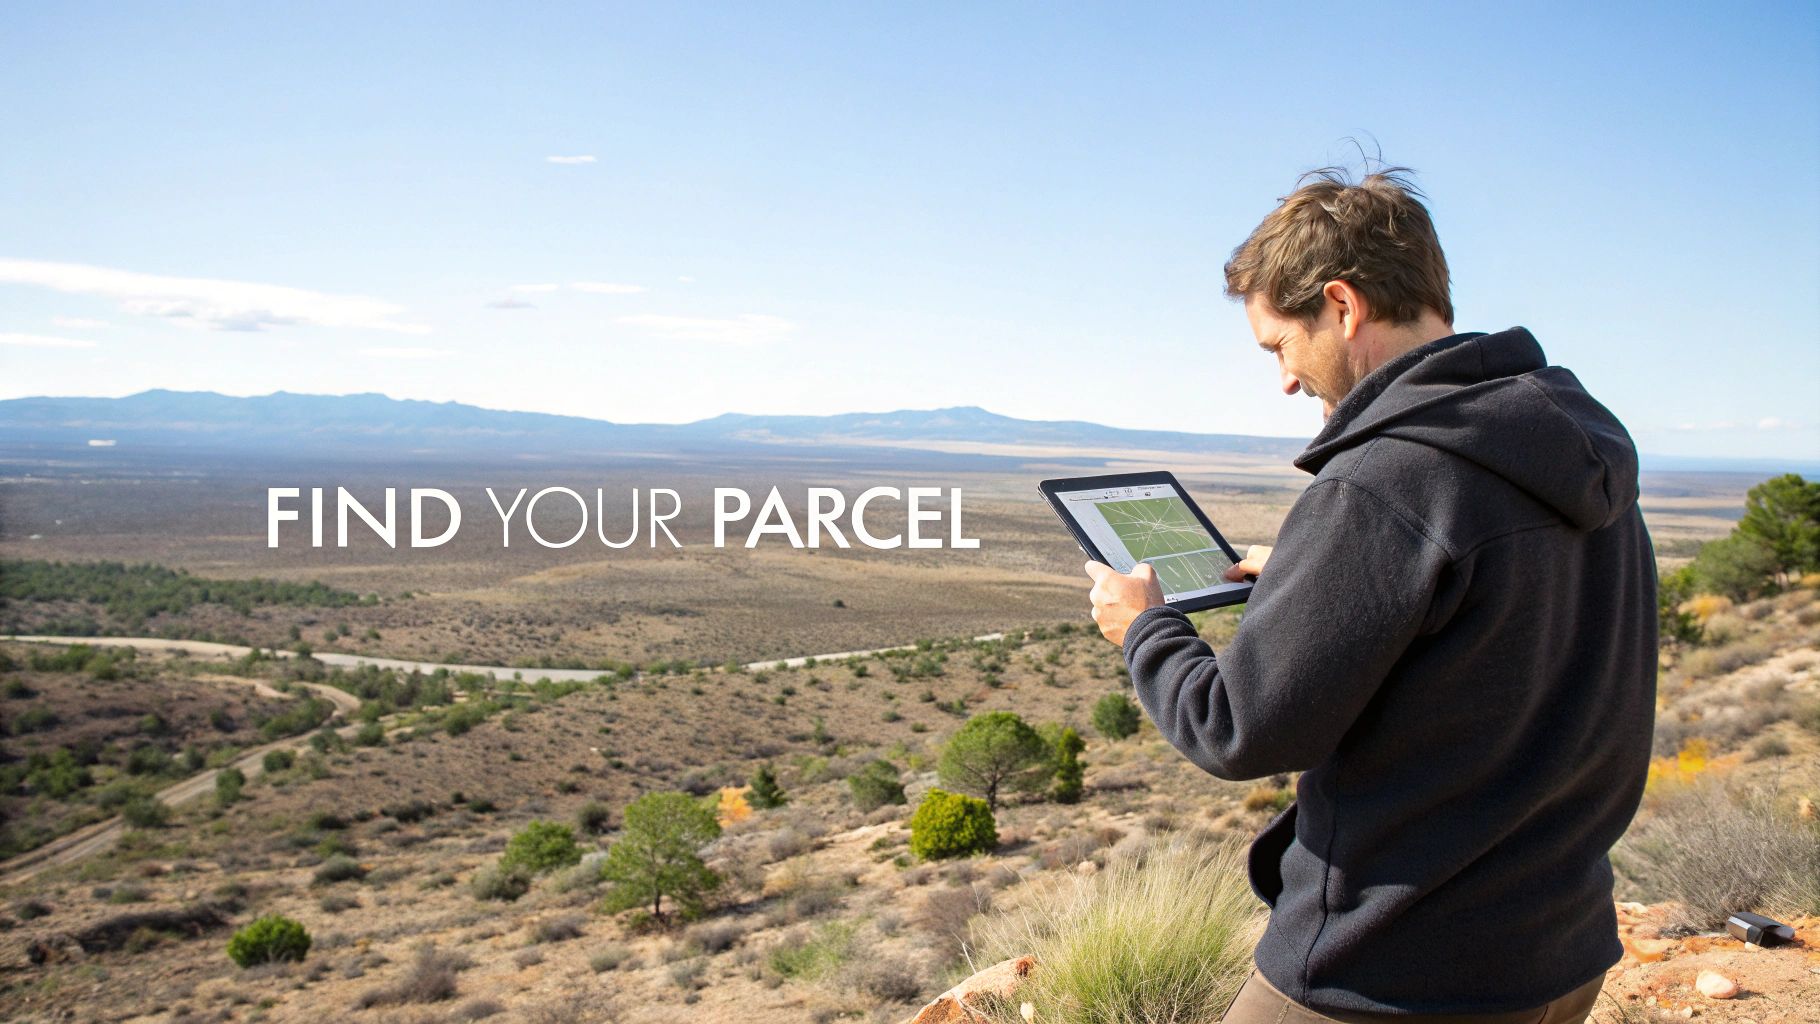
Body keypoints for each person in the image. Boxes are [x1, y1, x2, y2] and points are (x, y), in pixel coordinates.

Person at [1083, 165, 1657, 1023]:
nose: (1283, 379)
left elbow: (1233, 729)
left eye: (1281, 345)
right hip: (1558, 949)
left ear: (1343, 307)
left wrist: (1144, 629)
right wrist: (1325, 581)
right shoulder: (1570, 449)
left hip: (1389, 972)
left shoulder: (1386, 482)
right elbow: (1497, 623)